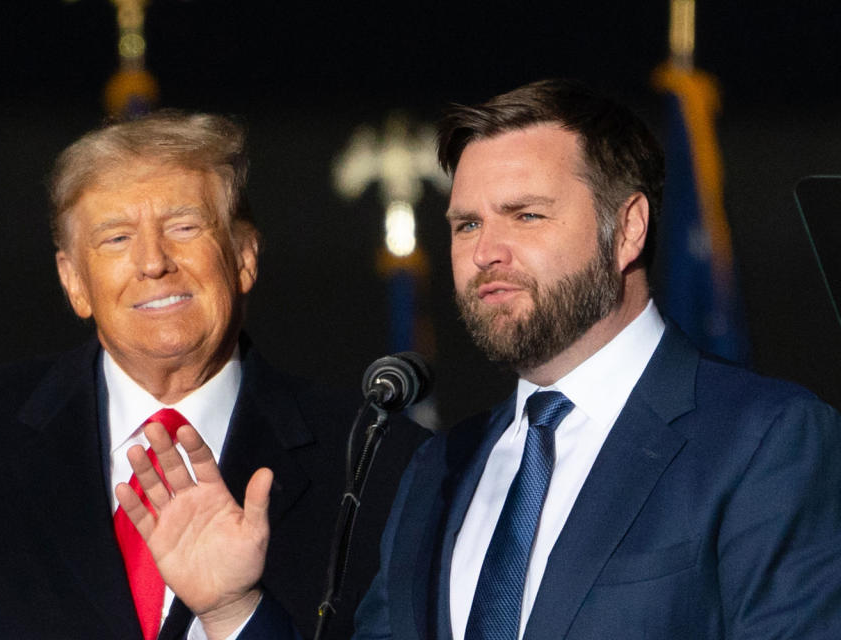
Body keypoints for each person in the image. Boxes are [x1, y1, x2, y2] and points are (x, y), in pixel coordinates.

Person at [111, 80, 841, 640]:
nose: (485, 252)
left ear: (629, 231)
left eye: (526, 215)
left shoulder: (766, 441)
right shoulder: (439, 467)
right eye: (466, 223)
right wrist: (233, 609)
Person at [0, 112, 426, 640]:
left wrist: (235, 614)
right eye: (116, 238)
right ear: (73, 282)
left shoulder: (381, 464)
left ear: (244, 257)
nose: (153, 262)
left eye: (184, 226)